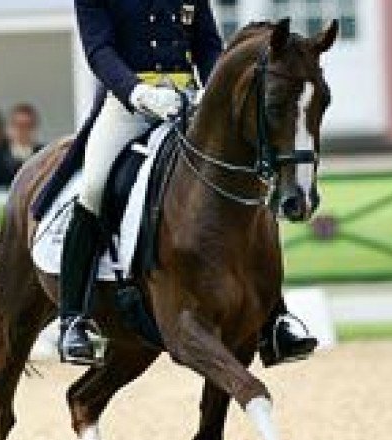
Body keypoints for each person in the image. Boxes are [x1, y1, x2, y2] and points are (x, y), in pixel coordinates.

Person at [59, 0, 316, 364]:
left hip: (190, 101)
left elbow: (208, 44)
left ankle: (274, 319)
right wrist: (139, 93)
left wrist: (213, 92)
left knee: (249, 182)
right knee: (94, 189)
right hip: (129, 105)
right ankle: (73, 320)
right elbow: (100, 50)